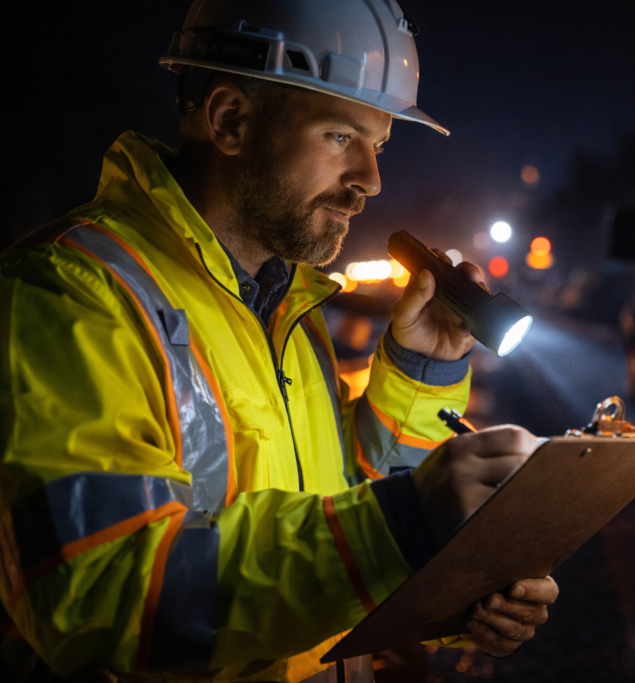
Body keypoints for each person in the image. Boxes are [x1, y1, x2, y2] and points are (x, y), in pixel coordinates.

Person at [0, 1, 557, 680]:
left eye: (378, 145)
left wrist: (455, 571)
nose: (370, 182)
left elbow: (338, 519)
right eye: (339, 137)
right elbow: (101, 595)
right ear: (230, 120)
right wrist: (403, 525)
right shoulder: (71, 295)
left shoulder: (286, 306)